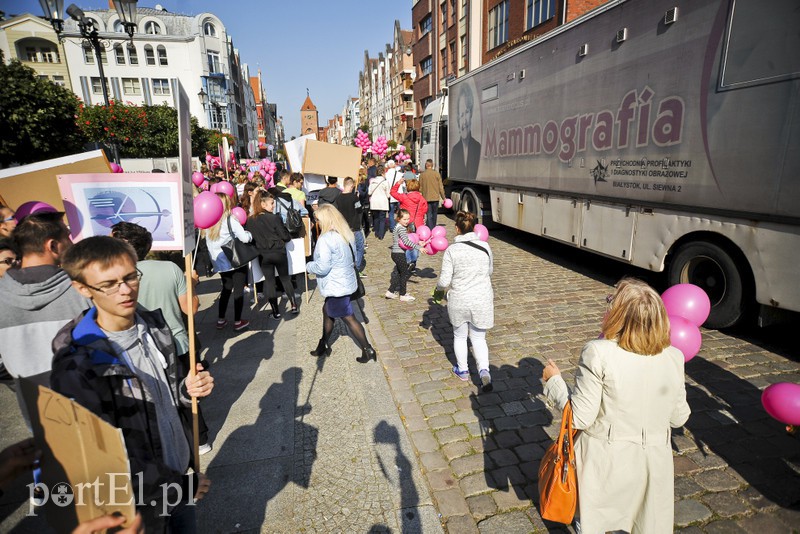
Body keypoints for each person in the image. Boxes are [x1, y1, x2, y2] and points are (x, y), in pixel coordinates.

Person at [52, 236, 214, 532]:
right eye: (109, 284)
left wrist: (189, 390)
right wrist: (179, 486)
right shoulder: (77, 364)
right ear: (82, 288)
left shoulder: (153, 325)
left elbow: (165, 395)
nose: (126, 290)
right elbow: (100, 464)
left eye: (130, 277)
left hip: (179, 474)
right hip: (141, 506)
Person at [541, 277, 691, 533]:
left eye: (611, 304)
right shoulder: (674, 356)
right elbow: (679, 418)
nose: (607, 309)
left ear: (619, 315)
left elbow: (580, 417)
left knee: (597, 522)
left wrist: (554, 382)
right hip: (653, 464)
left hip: (606, 462)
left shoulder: (598, 352)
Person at [110, 221, 212, 455]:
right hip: (177, 343)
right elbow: (191, 309)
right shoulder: (170, 269)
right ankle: (200, 439)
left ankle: (171, 442)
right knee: (188, 391)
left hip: (139, 350)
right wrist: (192, 284)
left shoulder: (115, 279)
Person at [0, 212, 89, 389]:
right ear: (53, 246)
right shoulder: (83, 289)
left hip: (37, 406)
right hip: (89, 400)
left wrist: (24, 384)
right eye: (68, 237)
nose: (72, 243)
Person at [306, 204, 376, 363]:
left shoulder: (326, 239)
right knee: (327, 311)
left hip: (336, 285)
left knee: (349, 318)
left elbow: (322, 267)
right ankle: (323, 344)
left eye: (317, 219)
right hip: (345, 282)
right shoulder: (346, 233)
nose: (316, 222)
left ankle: (368, 349)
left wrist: (308, 266)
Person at [434, 211, 494, 391]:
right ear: (475, 228)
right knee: (478, 337)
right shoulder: (485, 247)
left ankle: (463, 370)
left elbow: (444, 281)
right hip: (481, 298)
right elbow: (489, 271)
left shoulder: (452, 250)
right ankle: (484, 370)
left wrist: (437, 291)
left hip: (460, 299)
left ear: (456, 228)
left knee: (460, 336)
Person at [203, 193, 253, 331]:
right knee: (238, 290)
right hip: (235, 260)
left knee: (225, 289)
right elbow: (244, 238)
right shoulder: (230, 219)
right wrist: (250, 235)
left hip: (220, 262)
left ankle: (221, 319)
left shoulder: (209, 221)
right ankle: (237, 321)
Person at [247, 189, 298, 318]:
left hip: (263, 255)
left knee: (269, 282)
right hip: (278, 253)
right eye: (271, 203)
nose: (273, 206)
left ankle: (275, 311)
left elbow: (250, 239)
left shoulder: (250, 220)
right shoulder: (274, 218)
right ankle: (293, 305)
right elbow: (285, 237)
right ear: (263, 204)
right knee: (285, 278)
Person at [385, 208, 430, 302]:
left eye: (408, 219)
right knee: (404, 274)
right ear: (399, 219)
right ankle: (403, 294)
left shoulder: (398, 226)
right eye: (404, 219)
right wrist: (419, 248)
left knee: (399, 273)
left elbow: (409, 240)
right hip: (399, 254)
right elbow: (406, 242)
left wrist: (419, 243)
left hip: (396, 253)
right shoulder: (401, 228)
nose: (407, 221)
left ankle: (390, 291)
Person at [391, 177, 427, 270]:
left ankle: (407, 261)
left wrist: (398, 183)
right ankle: (413, 262)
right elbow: (425, 210)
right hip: (418, 224)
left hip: (406, 223)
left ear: (408, 187)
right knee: (416, 242)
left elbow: (392, 193)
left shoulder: (404, 197)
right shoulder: (422, 198)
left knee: (406, 243)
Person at [334, 177, 365, 275]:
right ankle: (357, 267)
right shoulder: (354, 197)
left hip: (343, 227)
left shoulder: (338, 198)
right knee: (359, 247)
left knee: (348, 248)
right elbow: (360, 210)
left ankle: (348, 267)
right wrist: (358, 198)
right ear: (351, 186)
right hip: (354, 227)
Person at [449, 87, 481, 180]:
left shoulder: (478, 147)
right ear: (458, 119)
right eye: (461, 115)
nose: (464, 121)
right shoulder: (454, 151)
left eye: (466, 112)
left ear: (471, 114)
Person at [419, 159, 445, 230]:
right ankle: (433, 227)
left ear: (426, 165)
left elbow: (420, 187)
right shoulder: (437, 174)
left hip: (426, 198)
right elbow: (441, 187)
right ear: (432, 165)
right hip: (435, 198)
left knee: (429, 214)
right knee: (434, 214)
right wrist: (443, 197)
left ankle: (430, 229)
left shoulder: (422, 175)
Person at [368, 165, 390, 240]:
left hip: (374, 202)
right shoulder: (385, 182)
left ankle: (376, 233)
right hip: (382, 202)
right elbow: (388, 194)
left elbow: (369, 192)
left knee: (376, 218)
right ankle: (381, 234)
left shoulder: (372, 181)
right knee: (382, 219)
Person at [385, 161, 403, 231]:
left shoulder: (386, 175)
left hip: (390, 195)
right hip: (399, 195)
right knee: (400, 212)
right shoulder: (399, 174)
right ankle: (400, 226)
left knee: (391, 213)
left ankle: (392, 227)